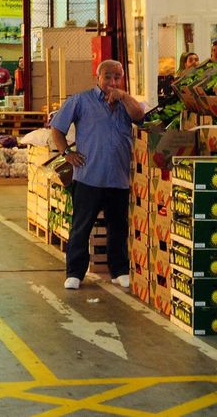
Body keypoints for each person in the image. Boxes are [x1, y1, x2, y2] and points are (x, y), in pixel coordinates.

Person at [49, 59, 145, 291]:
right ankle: (74, 273)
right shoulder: (81, 101)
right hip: (88, 177)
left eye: (117, 77)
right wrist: (67, 153)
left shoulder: (125, 102)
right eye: (108, 77)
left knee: (118, 228)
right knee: (81, 227)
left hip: (118, 178)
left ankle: (119, 270)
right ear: (98, 77)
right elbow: (57, 129)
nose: (112, 82)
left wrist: (123, 96)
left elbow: (140, 116)